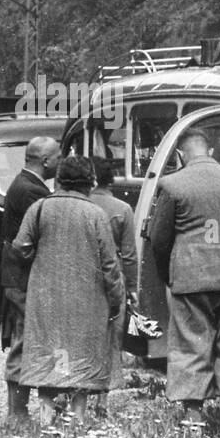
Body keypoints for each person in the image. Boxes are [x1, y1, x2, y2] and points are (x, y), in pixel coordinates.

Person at [146, 128, 220, 432]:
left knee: (189, 347)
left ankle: (193, 419)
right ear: (211, 152)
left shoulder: (171, 184)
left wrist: (168, 275)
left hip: (189, 278)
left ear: (181, 156)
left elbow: (159, 240)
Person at [12, 157, 124, 425]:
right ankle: (78, 419)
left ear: (59, 180)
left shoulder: (39, 208)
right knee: (81, 356)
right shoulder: (96, 214)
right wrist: (117, 298)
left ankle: (46, 419)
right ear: (90, 183)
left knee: (49, 352)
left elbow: (20, 246)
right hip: (87, 299)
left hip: (46, 297)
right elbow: (110, 264)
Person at [1, 135, 60, 420]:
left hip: (18, 275)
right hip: (24, 278)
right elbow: (37, 238)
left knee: (24, 337)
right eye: (58, 158)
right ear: (45, 160)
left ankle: (19, 412)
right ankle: (17, 414)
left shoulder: (24, 185)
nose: (60, 163)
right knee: (24, 340)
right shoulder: (31, 192)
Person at [88, 159, 138, 406]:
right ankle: (103, 400)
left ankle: (76, 395)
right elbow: (129, 255)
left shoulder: (83, 204)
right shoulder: (123, 209)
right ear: (111, 180)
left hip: (84, 274)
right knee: (111, 335)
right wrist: (131, 288)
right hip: (114, 275)